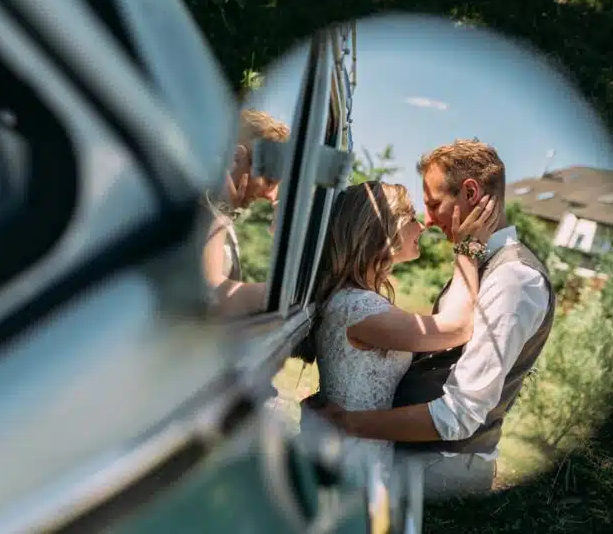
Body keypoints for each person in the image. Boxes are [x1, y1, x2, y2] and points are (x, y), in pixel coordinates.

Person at [313, 139, 556, 501]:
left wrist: (348, 423)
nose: (427, 220)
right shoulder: (478, 266)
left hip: (440, 467)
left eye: (432, 204)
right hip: (404, 458)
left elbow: (459, 412)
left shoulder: (513, 278)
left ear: (470, 193)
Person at [294, 181, 497, 517]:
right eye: (413, 218)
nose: (423, 227)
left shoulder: (354, 301)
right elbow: (457, 327)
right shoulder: (357, 307)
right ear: (384, 231)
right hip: (350, 460)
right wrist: (468, 249)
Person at [203, 108, 289, 317]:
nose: (271, 196)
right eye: (269, 181)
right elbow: (212, 295)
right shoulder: (200, 210)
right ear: (235, 158)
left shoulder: (220, 217)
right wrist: (288, 293)